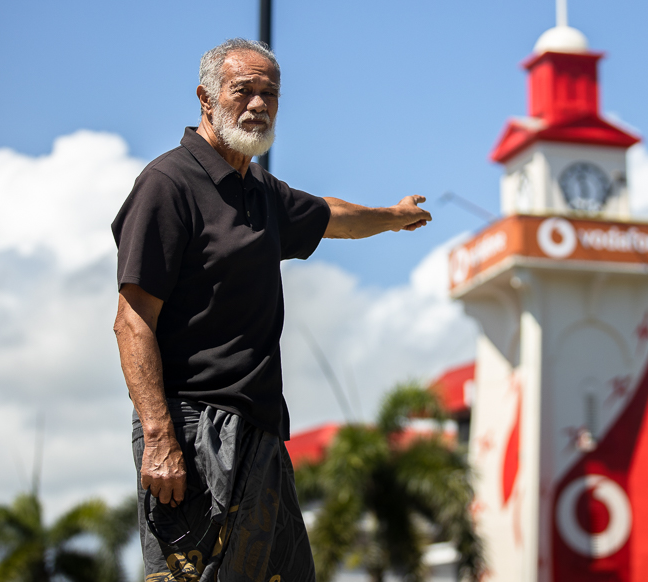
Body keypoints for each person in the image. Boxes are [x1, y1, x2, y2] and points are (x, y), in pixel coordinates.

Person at [112, 38, 431, 582]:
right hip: (193, 428)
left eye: (270, 93)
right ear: (207, 99)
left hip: (261, 430)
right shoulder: (167, 184)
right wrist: (160, 436)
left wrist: (392, 216)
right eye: (244, 91)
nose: (259, 104)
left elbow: (330, 215)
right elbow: (132, 319)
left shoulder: (258, 190)